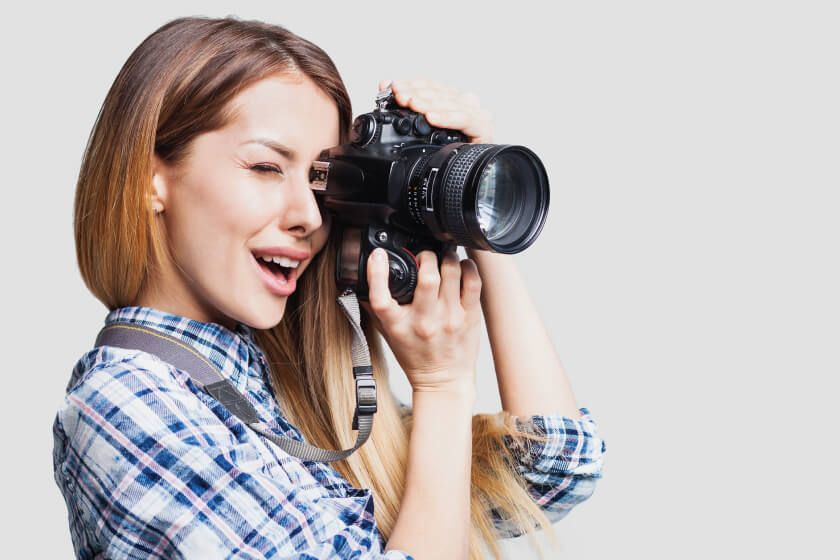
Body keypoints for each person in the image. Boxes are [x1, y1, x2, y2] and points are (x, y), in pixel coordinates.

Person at [52, 15, 607, 560]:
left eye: (320, 178)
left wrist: (474, 210)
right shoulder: (126, 403)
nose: (307, 217)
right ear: (154, 179)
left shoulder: (293, 383)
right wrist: (442, 385)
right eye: (267, 168)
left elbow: (552, 469)